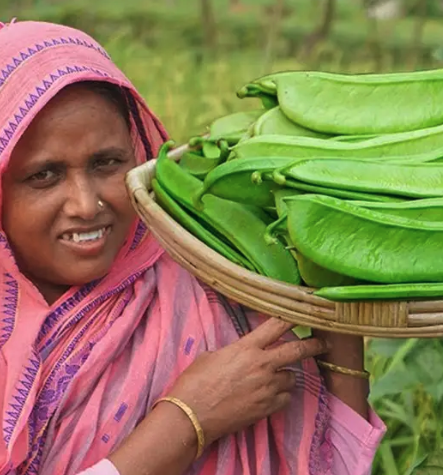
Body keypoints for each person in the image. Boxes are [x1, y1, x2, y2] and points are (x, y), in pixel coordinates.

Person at [0, 19, 386, 475]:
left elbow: (330, 462)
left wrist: (337, 296)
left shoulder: (206, 280)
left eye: (107, 162)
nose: (87, 204)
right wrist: (187, 420)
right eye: (44, 175)